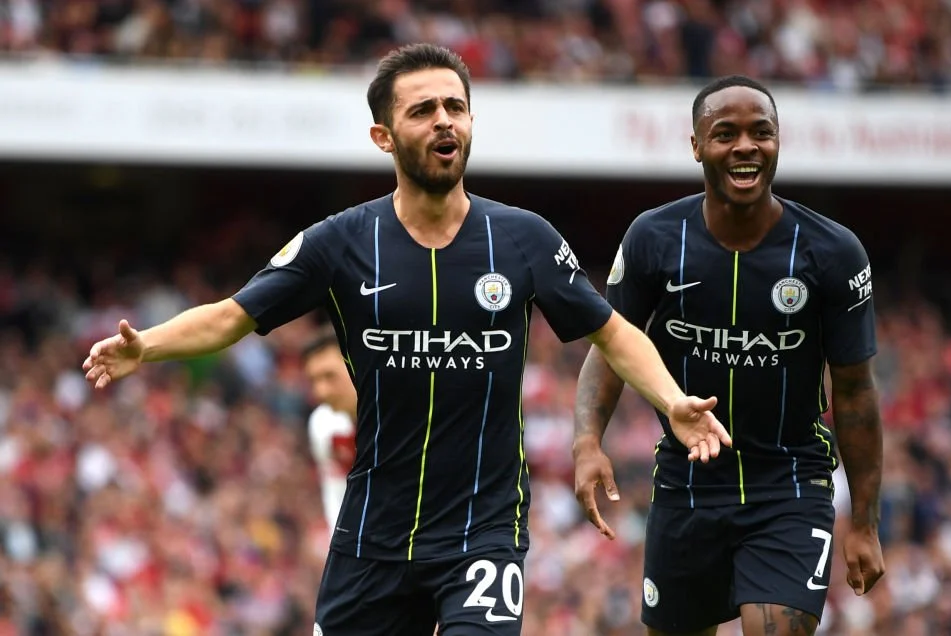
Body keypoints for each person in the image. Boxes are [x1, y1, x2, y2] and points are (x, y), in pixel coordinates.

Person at [82, 43, 731, 636]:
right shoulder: (339, 242)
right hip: (373, 536)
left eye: (456, 107)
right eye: (423, 111)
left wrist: (672, 400)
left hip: (482, 533)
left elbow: (613, 333)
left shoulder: (523, 239)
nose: (444, 121)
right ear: (383, 136)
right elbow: (232, 316)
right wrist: (147, 346)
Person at [572, 75, 885, 636]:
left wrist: (864, 522)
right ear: (696, 146)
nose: (745, 146)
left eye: (760, 132)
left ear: (778, 142)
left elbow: (856, 391)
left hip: (790, 484)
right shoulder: (654, 238)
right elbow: (611, 345)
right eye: (725, 134)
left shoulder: (833, 252)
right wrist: (587, 441)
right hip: (687, 483)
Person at [302, 327, 358, 529]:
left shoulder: (403, 419)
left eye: (329, 376)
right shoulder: (323, 425)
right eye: (313, 381)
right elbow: (337, 494)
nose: (320, 391)